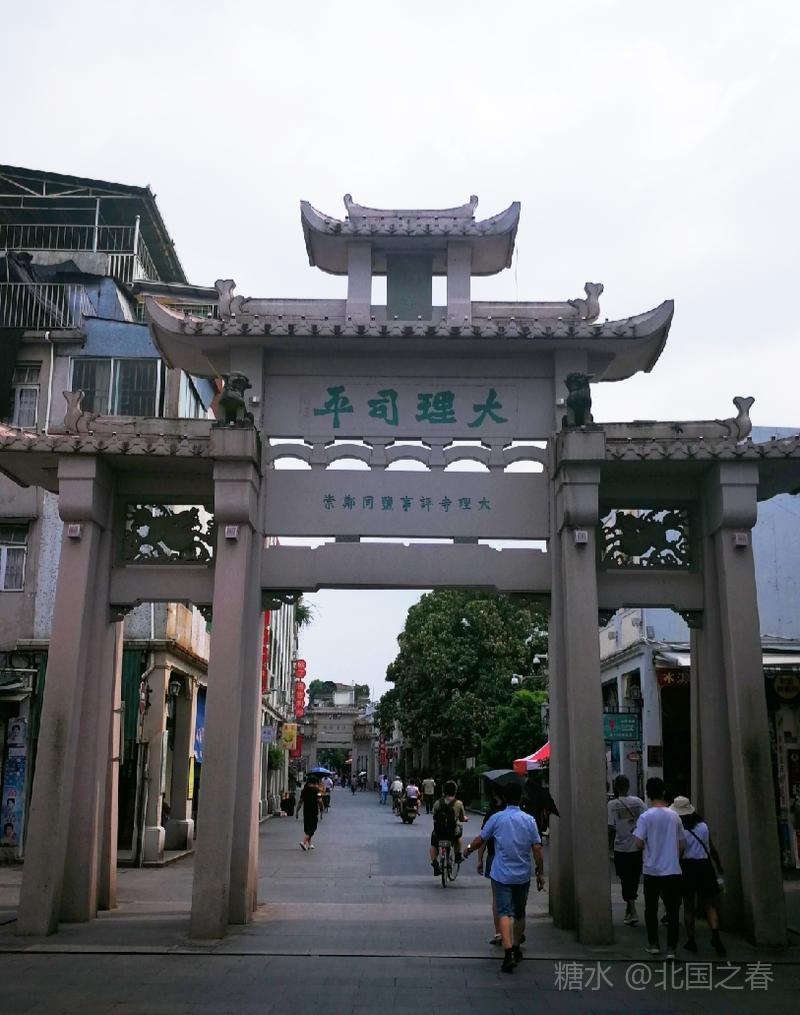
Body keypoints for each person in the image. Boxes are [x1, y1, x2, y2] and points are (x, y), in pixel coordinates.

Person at [464, 781, 544, 974]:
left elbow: (481, 839)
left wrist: (468, 849)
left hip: (501, 874)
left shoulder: (497, 818)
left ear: (505, 798)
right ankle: (516, 947)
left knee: (504, 913)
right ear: (521, 797)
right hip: (522, 875)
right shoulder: (529, 820)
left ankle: (508, 954)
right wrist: (540, 871)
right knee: (520, 913)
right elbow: (537, 848)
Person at [633, 777, 685, 959]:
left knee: (651, 909)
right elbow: (681, 845)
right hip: (672, 869)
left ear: (648, 794)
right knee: (672, 911)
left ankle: (653, 944)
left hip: (652, 870)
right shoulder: (674, 816)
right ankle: (671, 948)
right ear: (663, 792)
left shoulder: (645, 817)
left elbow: (638, 843)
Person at [670, 796, 726, 956]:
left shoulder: (678, 829)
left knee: (688, 905)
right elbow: (711, 847)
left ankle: (691, 939)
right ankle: (715, 934)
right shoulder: (703, 826)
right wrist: (718, 865)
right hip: (705, 866)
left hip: (687, 867)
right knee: (710, 904)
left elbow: (678, 850)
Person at [608, 774, 646, 926]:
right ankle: (630, 908)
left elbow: (610, 827)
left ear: (616, 787)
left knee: (624, 878)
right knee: (634, 877)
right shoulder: (638, 802)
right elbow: (645, 819)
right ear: (628, 786)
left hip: (620, 847)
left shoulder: (612, 805)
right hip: (636, 846)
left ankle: (632, 909)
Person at [477, 782, 506, 946]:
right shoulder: (521, 815)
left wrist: (479, 858)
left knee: (497, 897)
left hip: (495, 858)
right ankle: (515, 933)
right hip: (516, 859)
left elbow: (483, 838)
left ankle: (499, 933)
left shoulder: (492, 815)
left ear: (494, 794)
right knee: (515, 897)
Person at [429, 780, 468, 870]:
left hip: (439, 832)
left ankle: (435, 863)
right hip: (452, 832)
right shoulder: (459, 803)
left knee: (434, 845)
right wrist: (465, 819)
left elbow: (434, 815)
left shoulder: (437, 803)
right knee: (459, 835)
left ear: (444, 791)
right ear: (455, 791)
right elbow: (462, 818)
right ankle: (458, 856)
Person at [521, 770, 558, 835]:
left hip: (532, 813)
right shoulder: (531, 785)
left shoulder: (528, 786)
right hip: (534, 814)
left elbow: (532, 800)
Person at [296, 775, 322, 851]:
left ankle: (309, 844)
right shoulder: (317, 790)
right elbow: (320, 800)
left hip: (306, 811)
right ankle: (304, 842)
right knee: (313, 828)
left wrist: (297, 811)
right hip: (314, 811)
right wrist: (322, 807)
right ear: (315, 782)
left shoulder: (304, 790)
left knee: (307, 827)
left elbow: (300, 801)